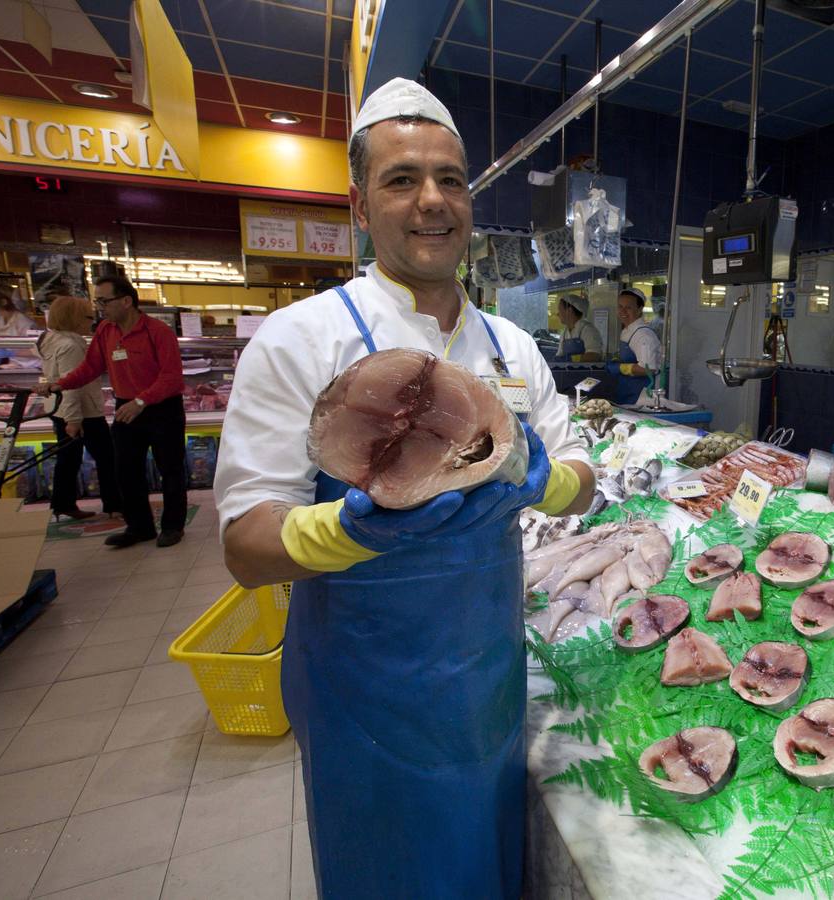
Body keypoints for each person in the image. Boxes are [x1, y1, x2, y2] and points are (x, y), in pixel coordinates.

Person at [212, 77, 594, 900]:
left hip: (488, 674)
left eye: (450, 179)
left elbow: (586, 484)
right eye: (401, 179)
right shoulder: (298, 340)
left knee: (490, 871)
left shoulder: (513, 348)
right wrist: (353, 532)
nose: (432, 201)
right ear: (359, 206)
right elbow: (244, 545)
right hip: (364, 691)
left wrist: (545, 480)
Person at [49, 275, 188, 548]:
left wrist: (141, 402)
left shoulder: (158, 332)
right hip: (126, 407)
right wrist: (59, 384)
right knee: (125, 470)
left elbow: (172, 377)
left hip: (162, 409)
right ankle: (139, 527)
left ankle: (173, 526)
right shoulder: (105, 331)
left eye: (104, 300)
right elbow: (90, 367)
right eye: (97, 300)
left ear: (126, 301)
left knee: (170, 470)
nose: (100, 306)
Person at [37, 295, 121, 521]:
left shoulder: (50, 340)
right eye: (87, 317)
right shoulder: (71, 345)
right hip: (83, 412)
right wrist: (74, 421)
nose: (91, 322)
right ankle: (114, 504)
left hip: (59, 410)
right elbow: (72, 384)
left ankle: (62, 503)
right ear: (73, 318)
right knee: (107, 457)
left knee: (68, 458)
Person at [608, 287, 662, 404]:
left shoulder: (643, 335)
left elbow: (649, 369)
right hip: (627, 392)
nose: (623, 311)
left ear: (639, 309)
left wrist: (622, 368)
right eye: (620, 307)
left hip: (642, 396)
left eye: (628, 307)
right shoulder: (627, 330)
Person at [553, 293, 602, 361]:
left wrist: (574, 359)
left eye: (560, 310)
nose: (558, 314)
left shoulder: (588, 330)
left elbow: (594, 355)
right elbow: (559, 355)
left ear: (569, 310)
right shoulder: (564, 333)